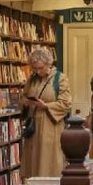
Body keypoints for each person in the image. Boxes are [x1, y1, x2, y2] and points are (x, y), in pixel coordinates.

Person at [18, 47, 72, 178]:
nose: (37, 71)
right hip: (34, 128)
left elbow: (66, 104)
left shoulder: (60, 79)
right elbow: (23, 96)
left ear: (48, 64)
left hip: (51, 126)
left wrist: (46, 106)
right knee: (33, 162)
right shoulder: (32, 79)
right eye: (34, 68)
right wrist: (24, 102)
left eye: (40, 68)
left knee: (49, 162)